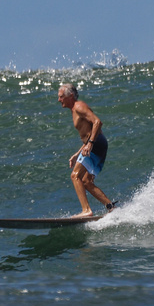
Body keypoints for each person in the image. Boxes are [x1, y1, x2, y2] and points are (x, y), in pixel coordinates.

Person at [57, 83, 114, 216]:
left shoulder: (79, 107)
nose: (59, 100)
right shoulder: (74, 110)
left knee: (75, 176)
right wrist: (77, 154)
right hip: (96, 144)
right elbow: (88, 135)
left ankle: (86, 210)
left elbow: (97, 122)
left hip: (96, 144)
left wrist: (90, 144)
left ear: (70, 96)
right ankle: (111, 207)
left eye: (61, 97)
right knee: (86, 181)